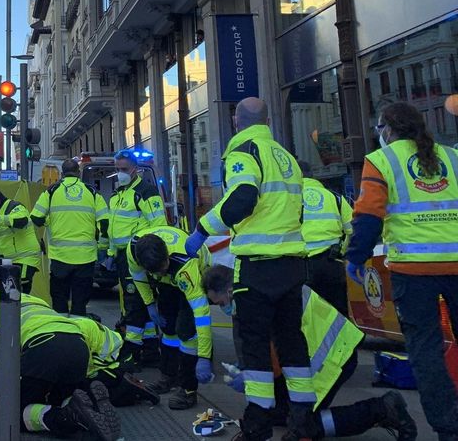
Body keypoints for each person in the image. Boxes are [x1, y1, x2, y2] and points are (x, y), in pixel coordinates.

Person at [185, 97, 315, 441]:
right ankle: (303, 424)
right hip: (291, 264)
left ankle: (257, 427)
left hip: (257, 268)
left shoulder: (244, 150)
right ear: (268, 120)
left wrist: (202, 229)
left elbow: (242, 198)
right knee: (292, 344)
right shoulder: (285, 156)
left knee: (255, 347)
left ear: (235, 118)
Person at [346, 101, 458, 441]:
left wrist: (355, 257)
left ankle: (449, 428)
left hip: (413, 270)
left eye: (380, 128)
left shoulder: (381, 161)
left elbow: (368, 215)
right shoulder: (452, 157)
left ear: (389, 130)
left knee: (425, 351)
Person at [203, 265, 417, 441]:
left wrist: (249, 378)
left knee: (304, 427)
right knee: (281, 412)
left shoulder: (255, 302)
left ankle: (382, 408)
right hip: (330, 350)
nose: (223, 308)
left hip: (331, 357)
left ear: (230, 291)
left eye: (221, 303)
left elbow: (273, 363)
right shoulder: (262, 286)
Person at [0, 291, 121, 440]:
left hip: (43, 347)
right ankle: (86, 408)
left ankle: (67, 417)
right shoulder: (37, 300)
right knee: (58, 398)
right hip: (78, 345)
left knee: (11, 414)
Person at [128, 227, 213, 410]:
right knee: (168, 329)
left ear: (167, 255)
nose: (162, 272)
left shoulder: (184, 263)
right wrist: (150, 304)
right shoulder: (133, 250)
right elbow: (138, 277)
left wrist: (204, 356)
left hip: (196, 271)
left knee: (187, 331)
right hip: (169, 282)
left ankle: (188, 389)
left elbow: (202, 315)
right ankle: (169, 376)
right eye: (157, 271)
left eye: (164, 267)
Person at [106, 149, 168, 362]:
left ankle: (132, 351)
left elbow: (159, 225)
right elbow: (115, 229)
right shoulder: (118, 194)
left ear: (135, 169)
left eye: (123, 169)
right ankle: (150, 349)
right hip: (124, 256)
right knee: (138, 301)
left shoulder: (146, 192)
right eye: (117, 169)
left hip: (139, 256)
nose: (120, 173)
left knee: (134, 302)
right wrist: (111, 253)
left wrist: (146, 251)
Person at [31, 159, 108, 315]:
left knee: (59, 300)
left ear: (62, 173)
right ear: (78, 173)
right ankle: (79, 330)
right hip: (85, 257)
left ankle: (63, 332)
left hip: (60, 258)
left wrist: (49, 222)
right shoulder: (92, 192)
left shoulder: (51, 191)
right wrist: (103, 245)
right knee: (80, 301)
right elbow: (105, 221)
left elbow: (36, 218)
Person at [297, 161, 353, 316]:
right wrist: (341, 250)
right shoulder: (335, 198)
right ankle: (344, 340)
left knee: (309, 317)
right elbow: (353, 231)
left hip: (301, 266)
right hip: (332, 263)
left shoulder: (289, 200)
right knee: (338, 314)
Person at [0, 188, 41, 294]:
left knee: (19, 293)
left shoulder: (14, 207)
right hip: (12, 262)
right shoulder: (0, 214)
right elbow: (3, 240)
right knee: (11, 294)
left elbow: (22, 220)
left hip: (25, 259)